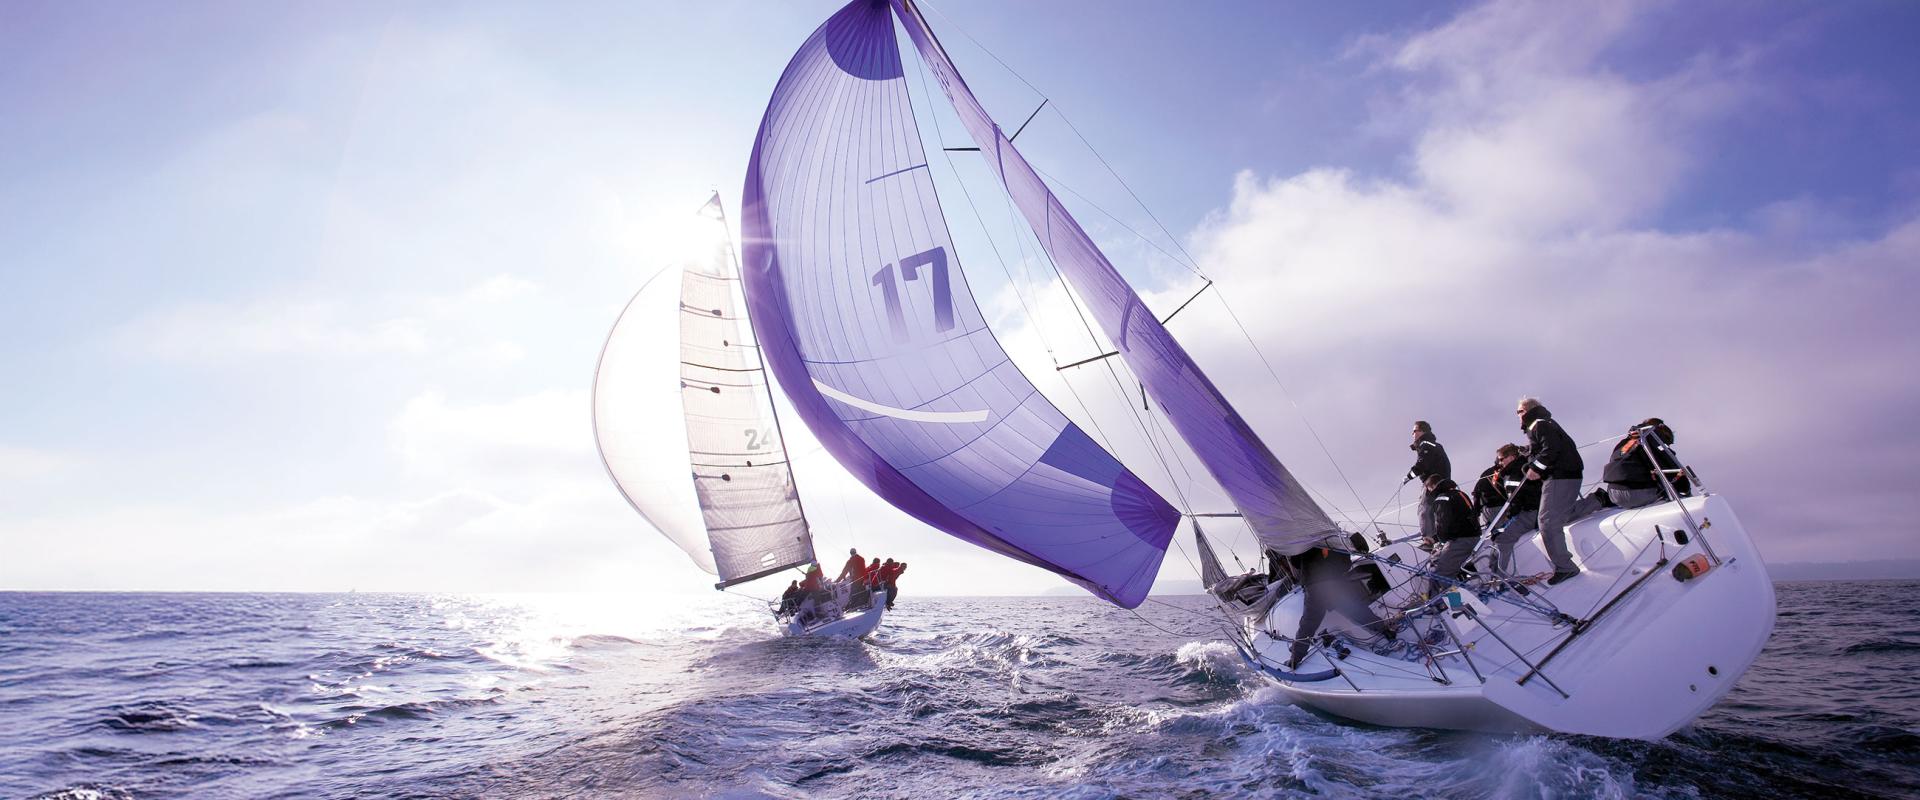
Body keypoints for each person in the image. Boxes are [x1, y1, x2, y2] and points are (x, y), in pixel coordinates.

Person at [1286, 539, 1391, 669]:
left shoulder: (1301, 542)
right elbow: (1345, 564)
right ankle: (1385, 630)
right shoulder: (1333, 540)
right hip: (1334, 583)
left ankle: (1295, 659)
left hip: (1315, 586)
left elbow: (1296, 563)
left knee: (1308, 624)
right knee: (1356, 610)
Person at [1518, 397, 1583, 584]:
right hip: (1568, 474)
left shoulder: (1538, 424)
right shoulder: (1545, 423)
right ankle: (1597, 500)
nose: (1518, 416)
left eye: (1519, 411)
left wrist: (1536, 468)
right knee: (1559, 516)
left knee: (1546, 521)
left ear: (1526, 411)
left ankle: (1565, 568)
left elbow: (1551, 448)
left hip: (1559, 476)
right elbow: (1549, 447)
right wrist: (1528, 454)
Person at [1600, 418, 1687, 508]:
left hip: (1613, 494)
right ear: (1661, 431)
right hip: (1636, 493)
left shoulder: (1624, 443)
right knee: (1670, 494)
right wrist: (1685, 488)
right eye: (1668, 441)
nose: (1668, 445)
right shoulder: (1653, 438)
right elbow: (1669, 465)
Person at [1482, 443, 1541, 576]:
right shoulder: (1519, 469)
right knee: (1499, 532)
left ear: (1512, 457)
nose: (1500, 462)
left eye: (1502, 459)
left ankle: (1499, 577)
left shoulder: (1515, 473)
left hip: (1531, 512)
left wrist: (1507, 521)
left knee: (1502, 538)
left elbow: (1516, 502)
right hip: (1531, 510)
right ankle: (1595, 500)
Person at [1422, 474, 1481, 597]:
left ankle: (1452, 605)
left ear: (1431, 487)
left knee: (1441, 574)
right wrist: (1435, 538)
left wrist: (1440, 541)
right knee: (1445, 568)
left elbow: (1443, 525)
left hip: (1459, 541)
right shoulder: (1460, 493)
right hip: (1474, 537)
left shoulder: (1441, 499)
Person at [1407, 421, 1452, 543]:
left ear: (1422, 431)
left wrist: (1408, 476)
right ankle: (1439, 537)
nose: (1413, 434)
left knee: (1424, 509)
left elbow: (1422, 463)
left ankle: (1428, 539)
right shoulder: (1436, 445)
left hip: (1432, 483)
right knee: (1438, 510)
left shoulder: (1426, 444)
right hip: (1444, 483)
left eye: (1414, 430)